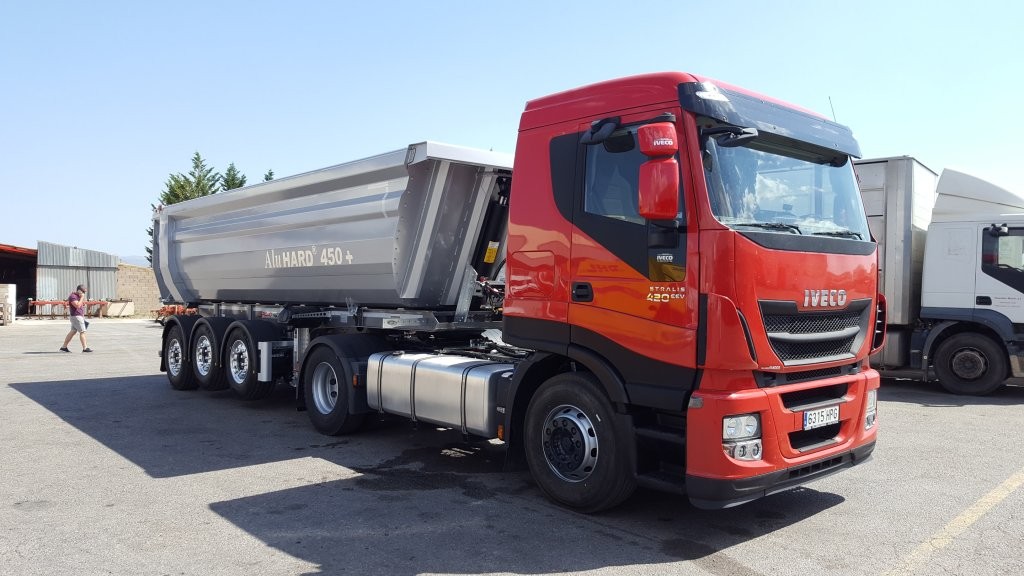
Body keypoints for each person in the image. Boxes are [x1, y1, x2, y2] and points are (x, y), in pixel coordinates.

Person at [59, 284, 93, 353]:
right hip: (76, 316)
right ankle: (85, 348)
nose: (84, 293)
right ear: (79, 290)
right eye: (83, 291)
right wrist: (82, 297)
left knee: (73, 332)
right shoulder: (73, 296)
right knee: (82, 332)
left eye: (84, 292)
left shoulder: (78, 296)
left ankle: (64, 347)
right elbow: (77, 305)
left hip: (78, 316)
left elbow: (81, 305)